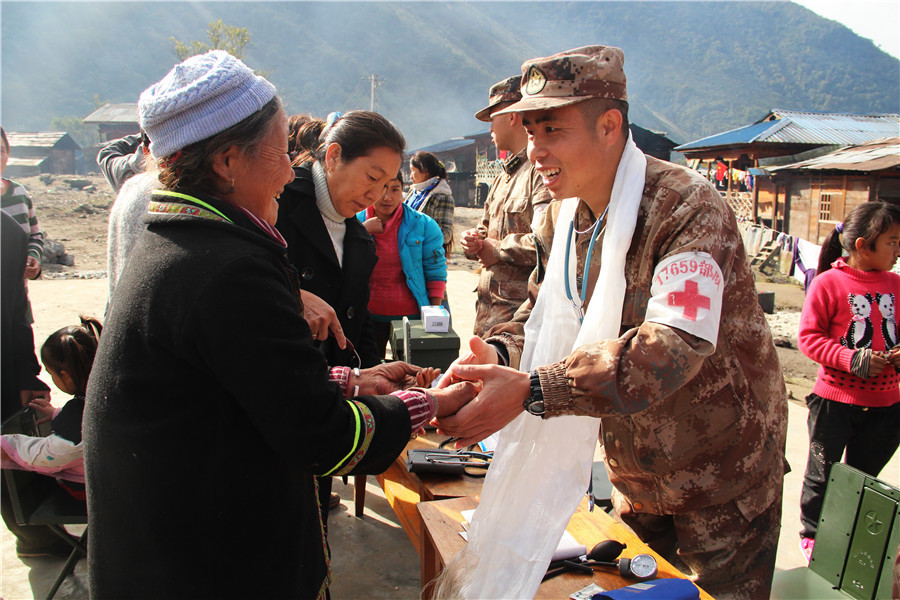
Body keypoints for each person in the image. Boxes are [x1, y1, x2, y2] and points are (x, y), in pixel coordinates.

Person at [83, 50, 476, 599]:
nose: (291, 170)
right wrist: (430, 404)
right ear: (226, 162)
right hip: (209, 566)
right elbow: (320, 436)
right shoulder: (228, 268)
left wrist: (352, 381)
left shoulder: (178, 241)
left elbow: (235, 383)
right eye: (279, 151)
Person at [432, 46, 787, 600]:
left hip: (721, 477)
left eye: (552, 129)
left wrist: (533, 390)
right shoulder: (563, 215)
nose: (537, 151)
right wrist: (497, 358)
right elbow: (541, 309)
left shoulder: (686, 208)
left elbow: (672, 346)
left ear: (609, 125)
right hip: (638, 472)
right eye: (530, 132)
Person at [277, 110, 408, 515]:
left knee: (312, 522)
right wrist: (293, 294)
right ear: (332, 156)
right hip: (273, 397)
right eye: (371, 177)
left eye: (388, 184)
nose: (377, 195)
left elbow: (359, 321)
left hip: (326, 401)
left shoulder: (359, 238)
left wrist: (378, 377)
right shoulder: (276, 200)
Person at [797, 201, 900, 561]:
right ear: (862, 245)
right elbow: (809, 338)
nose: (898, 250)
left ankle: (847, 541)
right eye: (891, 241)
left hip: (887, 406)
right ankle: (812, 537)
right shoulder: (829, 283)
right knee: (822, 476)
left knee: (862, 481)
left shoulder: (896, 284)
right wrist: (850, 359)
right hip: (835, 402)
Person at [462, 75, 551, 336]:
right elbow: (485, 228)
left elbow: (550, 243)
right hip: (488, 314)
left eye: (493, 118)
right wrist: (473, 241)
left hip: (520, 322)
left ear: (512, 116)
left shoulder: (542, 172)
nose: (490, 128)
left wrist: (498, 250)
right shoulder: (503, 176)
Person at [0, 210, 64, 559]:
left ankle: (38, 540)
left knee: (12, 451)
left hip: (2, 371)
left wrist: (27, 373)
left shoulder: (6, 232)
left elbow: (14, 311)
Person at [2, 316, 102, 501]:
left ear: (65, 376)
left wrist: (8, 445)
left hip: (90, 490)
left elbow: (49, 455)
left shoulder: (73, 425)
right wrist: (58, 414)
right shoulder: (103, 397)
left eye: (51, 373)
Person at [358, 171, 447, 355]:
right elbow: (342, 261)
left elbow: (435, 269)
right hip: (366, 316)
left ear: (403, 191)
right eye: (382, 188)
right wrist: (362, 232)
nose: (387, 197)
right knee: (372, 373)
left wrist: (433, 311)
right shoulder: (354, 221)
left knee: (413, 375)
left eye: (395, 189)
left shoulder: (423, 225)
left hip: (411, 316)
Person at [1, 127, 44, 281]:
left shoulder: (20, 193)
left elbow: (35, 236)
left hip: (18, 299)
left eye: (1, 150)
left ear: (8, 154)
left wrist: (34, 257)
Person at [405, 150, 454, 257]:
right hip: (408, 253)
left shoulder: (442, 195)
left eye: (412, 170)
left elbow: (446, 234)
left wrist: (417, 231)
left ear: (425, 171)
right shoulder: (414, 191)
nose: (410, 176)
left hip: (428, 257)